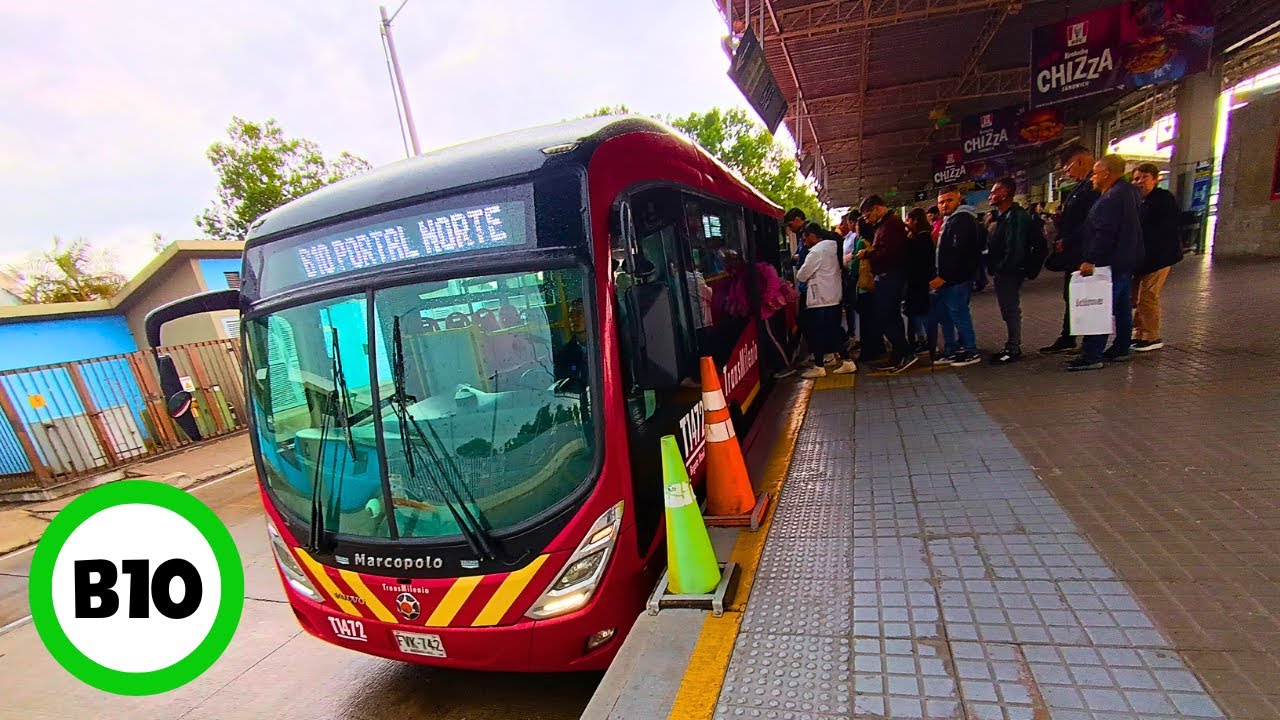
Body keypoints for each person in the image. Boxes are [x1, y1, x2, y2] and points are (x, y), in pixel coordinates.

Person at [1068, 154, 1144, 371]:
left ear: (1106, 173)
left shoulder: (1111, 198)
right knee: (1121, 308)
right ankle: (1121, 348)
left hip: (1108, 263)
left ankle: (1092, 354)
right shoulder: (1131, 193)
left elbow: (1104, 233)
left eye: (1095, 172)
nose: (1092, 177)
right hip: (1126, 260)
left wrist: (1090, 259)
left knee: (1098, 307)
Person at [1041, 144, 1101, 354]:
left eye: (1068, 169)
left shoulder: (1095, 189)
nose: (1068, 174)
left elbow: (1091, 223)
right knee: (1073, 295)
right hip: (1074, 252)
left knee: (1087, 298)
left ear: (1081, 161)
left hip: (1084, 253)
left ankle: (1091, 345)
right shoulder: (1080, 188)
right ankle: (1069, 336)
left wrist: (1069, 240)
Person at [857, 196, 917, 374]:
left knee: (884, 317)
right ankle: (898, 356)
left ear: (877, 209)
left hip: (890, 276)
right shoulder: (888, 224)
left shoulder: (891, 225)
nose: (867, 220)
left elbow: (889, 253)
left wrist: (868, 254)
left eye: (868, 215)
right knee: (891, 317)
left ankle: (906, 352)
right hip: (888, 276)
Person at [1130, 162, 1182, 351]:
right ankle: (1140, 333)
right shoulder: (1138, 201)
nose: (1139, 182)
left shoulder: (1163, 200)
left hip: (1159, 258)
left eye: (1144, 178)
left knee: (1148, 296)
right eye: (1136, 178)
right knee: (1137, 298)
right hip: (1142, 260)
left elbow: (1159, 231)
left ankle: (1151, 336)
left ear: (1155, 179)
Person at [986, 176, 1037, 364]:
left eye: (994, 192)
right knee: (1008, 308)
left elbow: (1014, 247)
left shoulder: (1016, 217)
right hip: (1006, 269)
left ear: (1005, 193)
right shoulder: (1004, 216)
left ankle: (1013, 348)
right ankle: (1012, 345)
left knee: (1010, 309)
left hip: (1010, 271)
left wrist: (1002, 267)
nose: (990, 196)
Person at [795, 223, 856, 377]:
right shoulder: (832, 247)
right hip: (833, 296)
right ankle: (846, 361)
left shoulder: (816, 252)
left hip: (820, 299)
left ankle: (819, 367)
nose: (805, 242)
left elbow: (801, 275)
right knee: (832, 331)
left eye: (805, 239)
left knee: (817, 333)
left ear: (812, 236)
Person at [931, 188, 982, 367]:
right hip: (949, 279)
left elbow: (960, 254)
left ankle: (970, 350)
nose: (944, 205)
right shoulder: (951, 220)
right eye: (941, 202)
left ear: (958, 200)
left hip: (956, 280)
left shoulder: (963, 220)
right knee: (946, 314)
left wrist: (944, 277)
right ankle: (952, 349)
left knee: (959, 313)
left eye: (948, 200)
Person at [904, 208, 935, 354]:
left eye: (908, 219)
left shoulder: (922, 238)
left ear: (916, 220)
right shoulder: (922, 237)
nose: (907, 223)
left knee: (920, 313)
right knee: (917, 312)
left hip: (920, 282)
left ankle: (927, 341)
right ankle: (923, 340)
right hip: (919, 281)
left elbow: (914, 258)